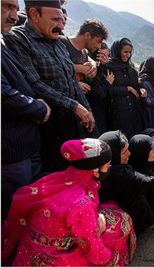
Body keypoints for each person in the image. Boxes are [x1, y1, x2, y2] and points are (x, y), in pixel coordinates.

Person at [2, 138, 136, 266]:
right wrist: (109, 257)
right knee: (120, 223)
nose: (109, 167)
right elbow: (91, 246)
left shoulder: (54, 179)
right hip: (57, 259)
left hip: (29, 252)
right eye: (107, 165)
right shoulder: (82, 203)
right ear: (95, 170)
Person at [4, 0, 95, 172]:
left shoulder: (59, 43)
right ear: (34, 15)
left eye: (62, 20)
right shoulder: (18, 39)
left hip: (73, 119)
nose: (60, 26)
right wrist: (74, 106)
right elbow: (34, 83)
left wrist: (86, 108)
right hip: (48, 123)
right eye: (54, 20)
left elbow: (71, 80)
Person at [1, 0, 51, 221]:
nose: (13, 16)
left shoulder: (4, 41)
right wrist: (38, 108)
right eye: (6, 7)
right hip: (11, 150)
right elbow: (4, 93)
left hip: (26, 144)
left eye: (14, 8)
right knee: (13, 214)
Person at [106, 38, 148, 139]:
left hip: (133, 112)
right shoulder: (109, 67)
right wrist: (128, 89)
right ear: (117, 51)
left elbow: (136, 88)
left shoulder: (131, 69)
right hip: (118, 112)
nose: (127, 55)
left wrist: (141, 91)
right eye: (125, 51)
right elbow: (108, 90)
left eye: (129, 52)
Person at [60, 19, 108, 96]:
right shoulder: (61, 42)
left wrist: (93, 66)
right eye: (98, 41)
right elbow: (54, 66)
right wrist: (80, 69)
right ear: (87, 35)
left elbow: (92, 64)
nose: (99, 46)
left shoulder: (84, 52)